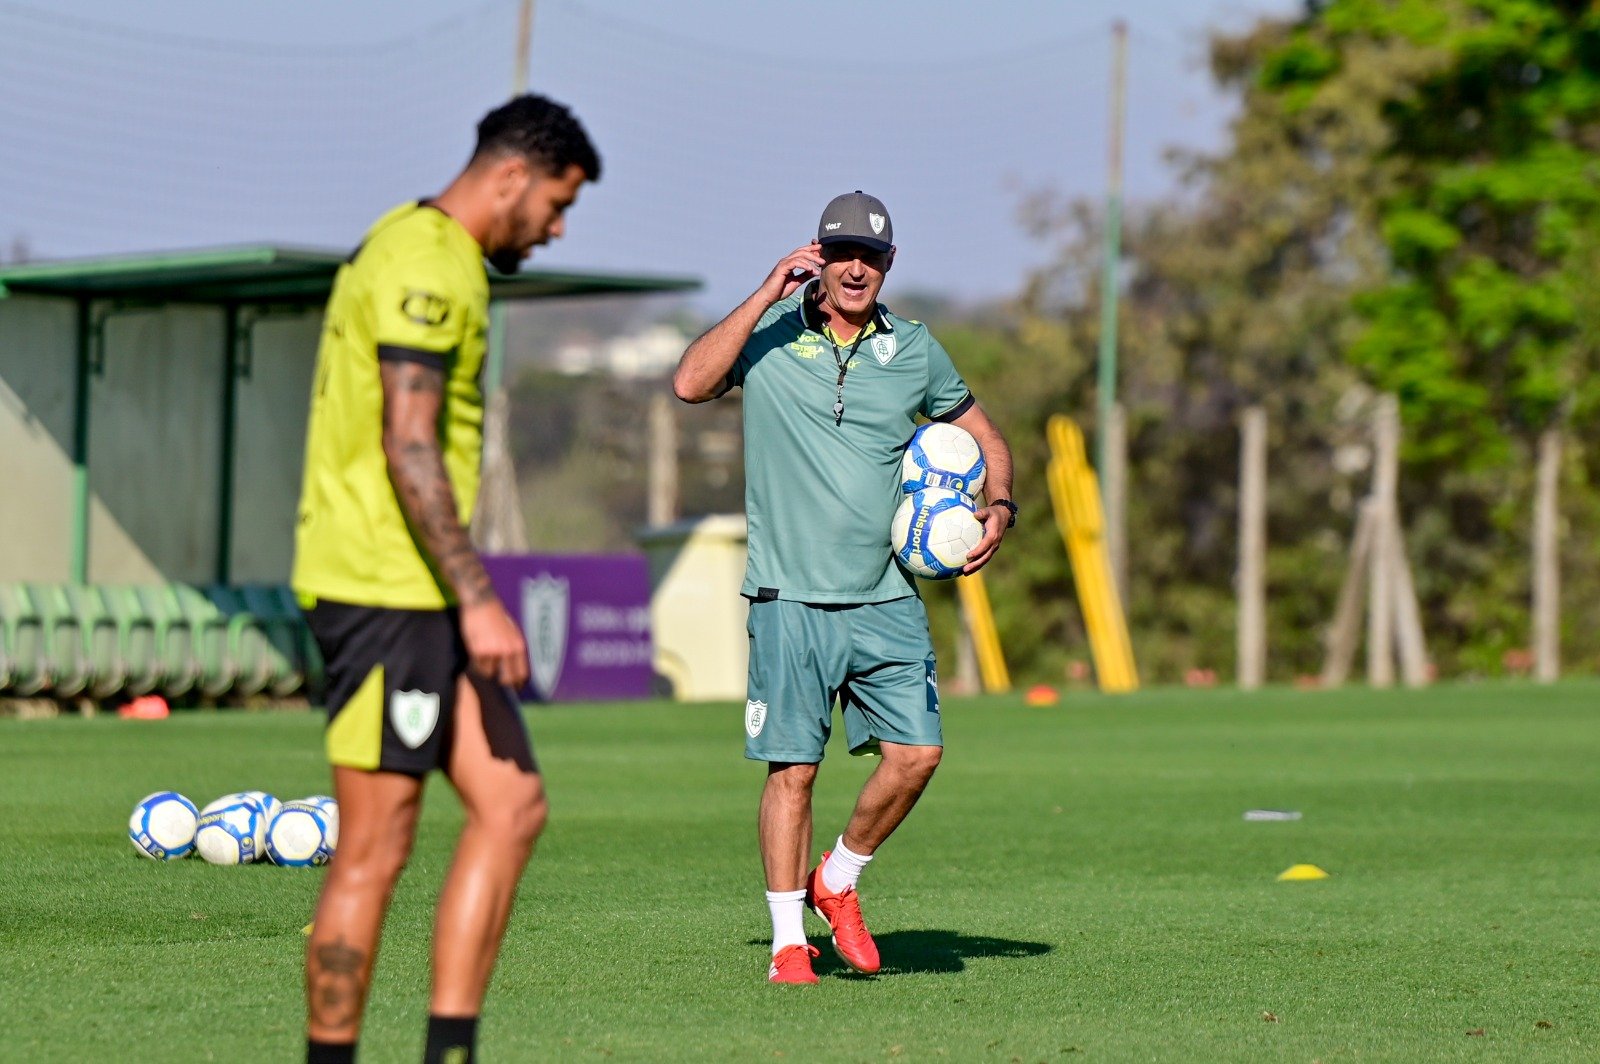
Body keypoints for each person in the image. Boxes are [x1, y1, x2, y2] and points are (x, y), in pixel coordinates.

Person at [290, 94, 600, 1062]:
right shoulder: (427, 260)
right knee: (376, 848)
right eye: (555, 205)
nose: (552, 230)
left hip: (415, 585)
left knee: (512, 805)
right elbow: (409, 442)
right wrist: (476, 596)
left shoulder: (430, 251)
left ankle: (448, 1050)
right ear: (512, 175)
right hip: (386, 588)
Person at [673, 192, 1016, 984]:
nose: (856, 267)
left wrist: (999, 507)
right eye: (841, 253)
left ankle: (840, 878)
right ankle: (789, 944)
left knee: (918, 756)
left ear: (888, 267)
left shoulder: (916, 349)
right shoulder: (766, 333)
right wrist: (765, 291)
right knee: (793, 771)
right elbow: (690, 384)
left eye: (872, 256)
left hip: (885, 596)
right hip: (789, 596)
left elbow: (986, 438)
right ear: (818, 258)